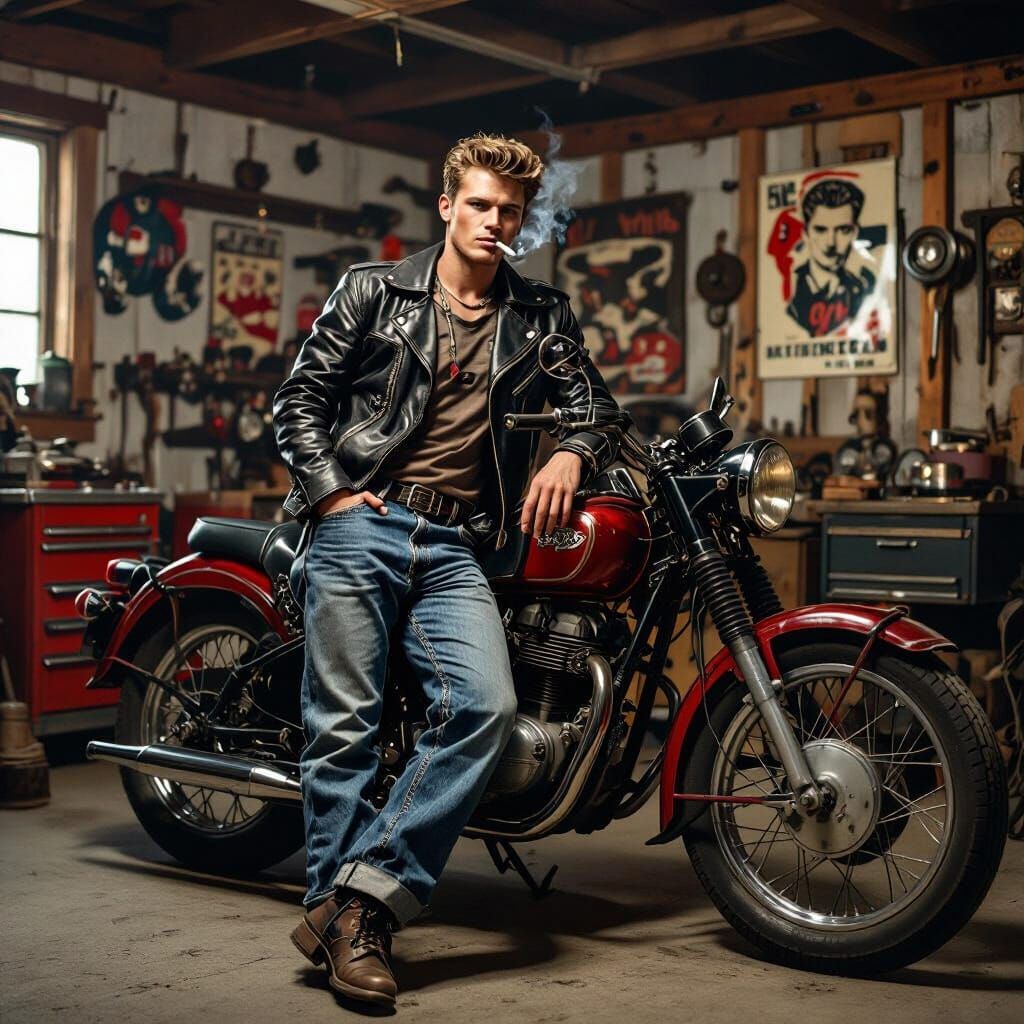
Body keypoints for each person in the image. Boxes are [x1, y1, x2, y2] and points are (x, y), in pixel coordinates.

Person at [272, 132, 622, 1007]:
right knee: (344, 724)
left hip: (459, 544)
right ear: (447, 206)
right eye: (480, 204)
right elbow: (300, 401)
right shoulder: (373, 291)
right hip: (364, 520)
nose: (495, 221)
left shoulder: (542, 317)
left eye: (511, 210)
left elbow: (597, 408)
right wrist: (331, 496)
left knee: (484, 707)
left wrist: (572, 451)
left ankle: (352, 901)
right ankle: (354, 926)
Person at [786, 178, 875, 337]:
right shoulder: (789, 289)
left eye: (843, 230)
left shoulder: (861, 289)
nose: (831, 243)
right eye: (820, 230)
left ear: (854, 233)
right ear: (805, 234)